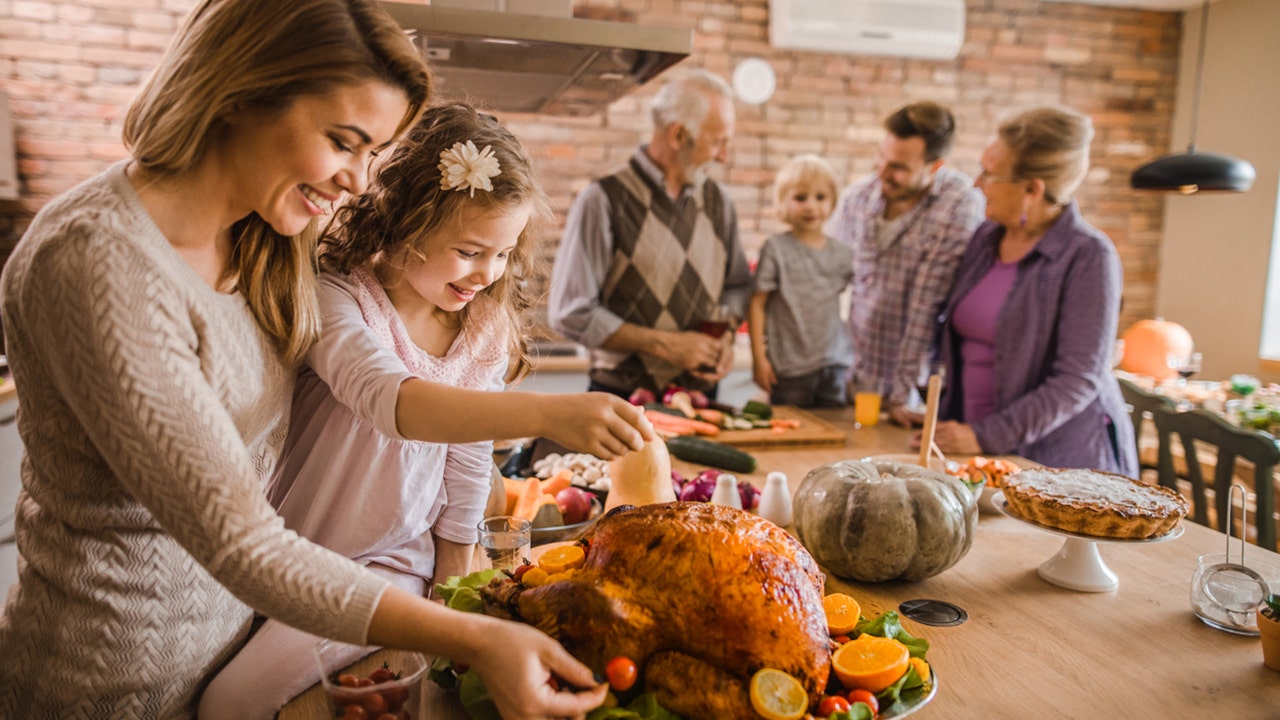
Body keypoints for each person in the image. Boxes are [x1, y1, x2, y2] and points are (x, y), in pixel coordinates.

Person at [0, 1, 644, 717]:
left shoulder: (263, 241)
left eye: (374, 152)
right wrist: (473, 637)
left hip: (230, 643)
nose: (362, 183)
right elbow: (246, 544)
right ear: (241, 91)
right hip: (109, 681)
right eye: (345, 141)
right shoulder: (98, 261)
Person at [197, 101, 588, 718]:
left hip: (389, 567)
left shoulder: (482, 330)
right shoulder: (338, 301)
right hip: (293, 557)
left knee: (229, 704)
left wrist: (453, 589)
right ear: (407, 225)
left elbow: (465, 463)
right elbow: (387, 401)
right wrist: (543, 416)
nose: (488, 273)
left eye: (504, 253)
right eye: (469, 250)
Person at [930, 106, 1138, 477]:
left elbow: (1077, 379)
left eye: (990, 174)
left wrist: (985, 435)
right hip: (977, 451)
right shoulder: (985, 238)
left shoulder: (1089, 256)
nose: (977, 184)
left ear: (1032, 189)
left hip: (1058, 462)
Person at [548, 68, 753, 400]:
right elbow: (572, 313)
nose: (724, 157)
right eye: (717, 142)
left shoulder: (720, 203)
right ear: (677, 136)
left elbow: (738, 285)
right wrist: (667, 345)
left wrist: (726, 337)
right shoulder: (603, 201)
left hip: (701, 401)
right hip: (621, 402)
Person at [828, 101, 984, 425]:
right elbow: (828, 284)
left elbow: (927, 304)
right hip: (852, 381)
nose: (883, 172)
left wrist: (903, 391)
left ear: (935, 166)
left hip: (915, 394)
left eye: (899, 167)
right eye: (882, 157)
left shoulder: (959, 204)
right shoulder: (858, 198)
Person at [748, 154, 853, 407]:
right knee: (790, 431)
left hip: (834, 364)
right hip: (788, 368)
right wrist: (759, 359)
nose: (811, 206)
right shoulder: (775, 249)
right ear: (784, 202)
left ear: (832, 202)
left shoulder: (843, 253)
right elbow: (757, 304)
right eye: (800, 197)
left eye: (820, 197)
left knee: (834, 433)